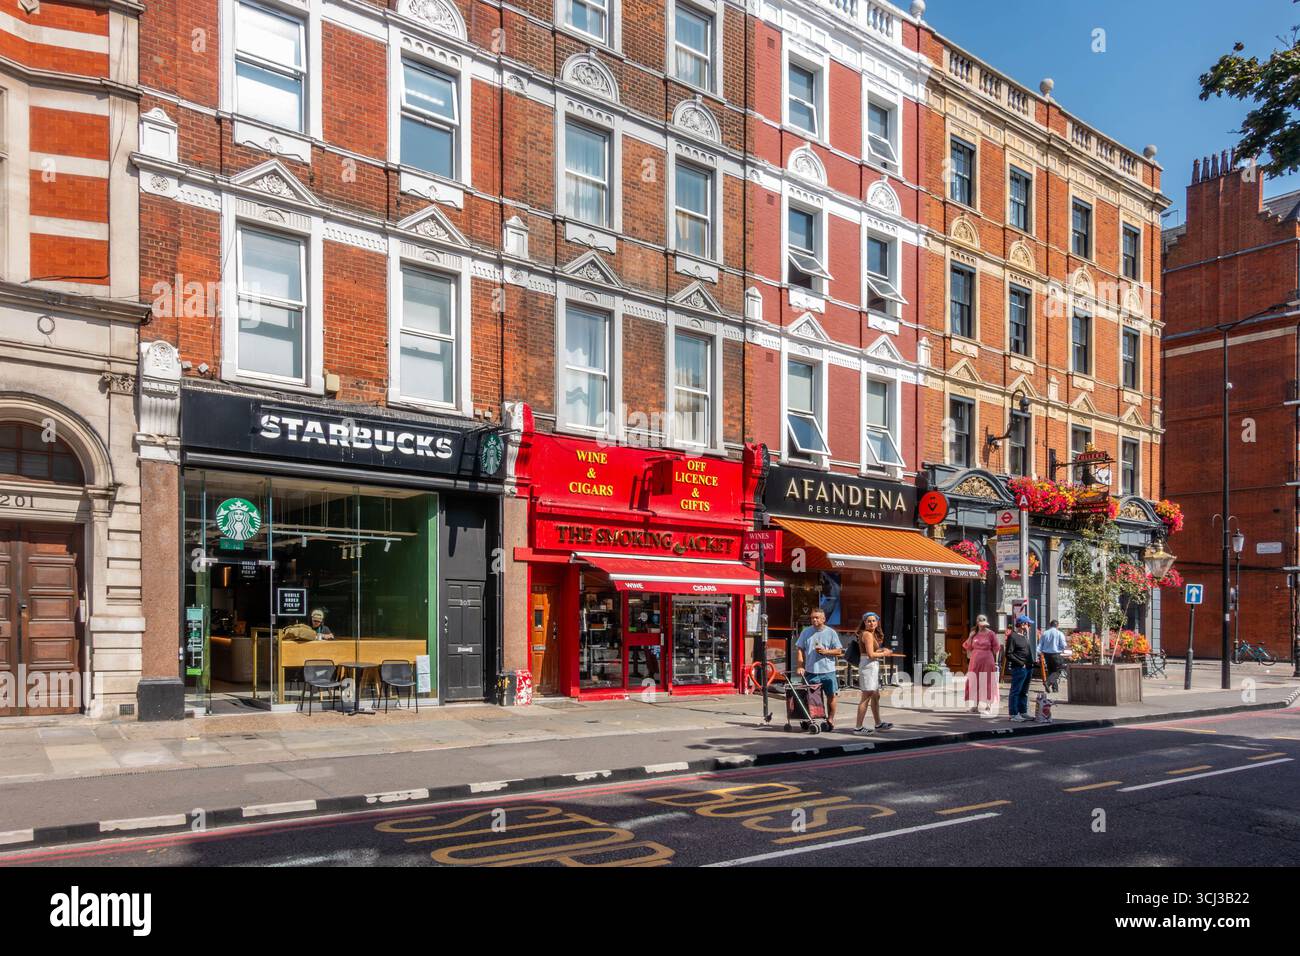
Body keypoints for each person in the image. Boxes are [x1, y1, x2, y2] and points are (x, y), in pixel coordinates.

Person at [795, 608, 844, 730]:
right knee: (808, 697)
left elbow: (839, 651)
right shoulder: (806, 632)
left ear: (823, 619)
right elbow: (800, 648)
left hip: (828, 671)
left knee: (831, 696)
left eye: (817, 617)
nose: (814, 620)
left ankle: (830, 719)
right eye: (812, 618)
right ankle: (809, 719)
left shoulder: (831, 632)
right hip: (811, 671)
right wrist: (800, 666)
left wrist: (825, 651)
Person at [853, 613, 894, 734]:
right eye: (868, 621)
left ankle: (878, 724)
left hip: (871, 665)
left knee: (875, 696)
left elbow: (872, 650)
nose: (871, 623)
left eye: (873, 621)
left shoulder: (870, 635)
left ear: (877, 622)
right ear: (864, 622)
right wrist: (884, 654)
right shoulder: (867, 634)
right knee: (866, 696)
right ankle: (858, 727)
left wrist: (883, 650)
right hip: (868, 666)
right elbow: (871, 654)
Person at [963, 614, 1001, 716]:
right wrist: (970, 637)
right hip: (975, 661)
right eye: (980, 623)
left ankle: (988, 706)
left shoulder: (991, 634)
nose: (982, 625)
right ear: (977, 622)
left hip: (987, 660)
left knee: (987, 681)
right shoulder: (974, 633)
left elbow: (997, 648)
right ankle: (975, 705)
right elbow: (967, 646)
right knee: (974, 681)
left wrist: (996, 662)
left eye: (984, 623)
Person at [1004, 616, 1037, 721]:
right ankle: (1013, 714)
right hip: (1019, 668)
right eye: (1028, 624)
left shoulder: (1024, 636)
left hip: (1028, 667)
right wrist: (1020, 663)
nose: (1030, 627)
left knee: (1024, 691)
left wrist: (1032, 663)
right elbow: (1008, 654)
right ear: (1022, 625)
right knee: (1016, 691)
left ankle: (1023, 711)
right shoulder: (1013, 637)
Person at [1039, 619, 1067, 692]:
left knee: (1051, 671)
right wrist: (1060, 648)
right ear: (1057, 625)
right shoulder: (1059, 633)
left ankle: (1055, 688)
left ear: (1050, 625)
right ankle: (1047, 683)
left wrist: (1039, 653)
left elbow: (1040, 645)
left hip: (1046, 654)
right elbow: (1064, 645)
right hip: (1056, 654)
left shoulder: (1045, 633)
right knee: (1058, 671)